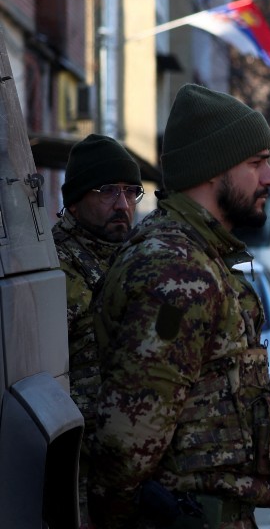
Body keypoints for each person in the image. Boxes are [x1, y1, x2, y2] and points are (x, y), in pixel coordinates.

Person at [90, 84, 270, 529]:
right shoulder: (177, 272)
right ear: (212, 170)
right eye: (256, 163)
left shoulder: (201, 259)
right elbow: (127, 442)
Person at [54, 133, 143, 527]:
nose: (122, 205)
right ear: (74, 201)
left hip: (130, 474)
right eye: (107, 191)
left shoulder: (136, 260)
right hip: (76, 482)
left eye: (130, 192)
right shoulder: (53, 270)